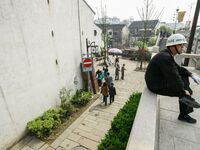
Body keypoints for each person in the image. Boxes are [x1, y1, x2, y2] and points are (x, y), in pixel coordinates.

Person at [145, 34, 200, 124]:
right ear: (173, 46)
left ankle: (185, 101)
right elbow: (174, 78)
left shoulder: (167, 55)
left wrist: (191, 74)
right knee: (183, 92)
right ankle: (183, 115)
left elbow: (177, 68)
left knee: (184, 77)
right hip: (155, 85)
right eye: (181, 45)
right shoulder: (165, 58)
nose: (183, 47)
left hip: (159, 80)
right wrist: (183, 91)